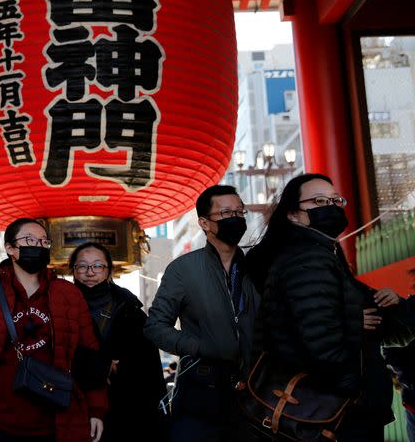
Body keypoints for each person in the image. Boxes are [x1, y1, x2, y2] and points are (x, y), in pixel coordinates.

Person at [243, 173, 413, 441]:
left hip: (342, 410)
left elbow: (383, 327)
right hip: (338, 413)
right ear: (293, 214)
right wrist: (354, 391)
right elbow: (318, 342)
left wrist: (395, 305)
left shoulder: (324, 255)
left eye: (336, 200)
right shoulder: (307, 260)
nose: (332, 206)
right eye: (319, 200)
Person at [0, 218, 107, 442]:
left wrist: (96, 410)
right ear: (10, 248)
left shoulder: (69, 294)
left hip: (56, 422)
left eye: (44, 241)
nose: (38, 246)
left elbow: (90, 355)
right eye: (30, 240)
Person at [145, 185, 259, 442]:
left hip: (254, 389)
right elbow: (155, 326)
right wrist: (199, 347)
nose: (236, 219)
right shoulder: (183, 269)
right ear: (204, 223)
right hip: (201, 389)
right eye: (227, 213)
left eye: (240, 212)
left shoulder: (257, 267)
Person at [70, 242, 168, 442]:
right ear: (73, 270)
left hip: (124, 409)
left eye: (98, 266)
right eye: (82, 266)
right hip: (71, 404)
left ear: (108, 270)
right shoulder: (59, 306)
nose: (90, 272)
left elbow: (148, 368)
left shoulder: (129, 309)